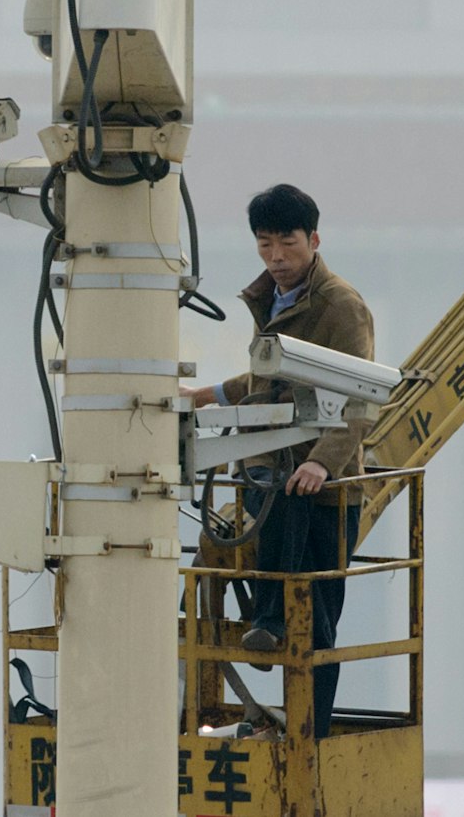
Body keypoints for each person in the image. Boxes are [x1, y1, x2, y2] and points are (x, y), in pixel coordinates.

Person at [182, 183, 374, 739]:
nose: (276, 258)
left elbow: (360, 398)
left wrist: (323, 464)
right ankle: (265, 625)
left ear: (313, 239)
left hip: (324, 487)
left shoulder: (340, 306)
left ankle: (307, 727)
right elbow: (266, 381)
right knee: (269, 544)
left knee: (316, 619)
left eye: (286, 244)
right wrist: (212, 394)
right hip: (269, 471)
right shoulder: (274, 298)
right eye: (265, 245)